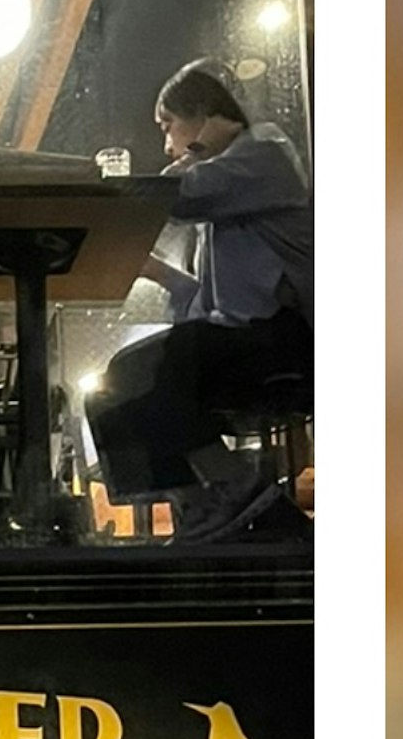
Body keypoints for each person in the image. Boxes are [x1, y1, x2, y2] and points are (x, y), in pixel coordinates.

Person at [83, 63, 311, 541]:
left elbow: (184, 196)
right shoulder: (228, 194)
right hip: (246, 331)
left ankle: (230, 490)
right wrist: (157, 271)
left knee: (143, 371)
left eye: (169, 126)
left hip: (290, 332)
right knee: (116, 384)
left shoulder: (264, 154)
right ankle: (193, 503)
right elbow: (206, 303)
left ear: (201, 116)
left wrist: (132, 181)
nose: (168, 142)